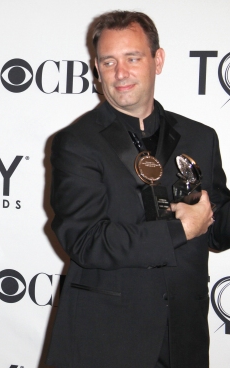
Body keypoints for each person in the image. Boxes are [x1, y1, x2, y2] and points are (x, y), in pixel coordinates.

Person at [47, 11, 230, 368]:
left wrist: (211, 220)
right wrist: (181, 229)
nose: (121, 73)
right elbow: (86, 241)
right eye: (109, 61)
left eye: (133, 58)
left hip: (184, 339)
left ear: (157, 60)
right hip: (107, 339)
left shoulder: (200, 137)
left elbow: (218, 228)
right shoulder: (76, 143)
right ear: (97, 69)